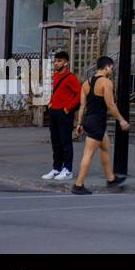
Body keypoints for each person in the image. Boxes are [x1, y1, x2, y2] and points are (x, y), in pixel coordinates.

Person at [71, 57, 128, 195]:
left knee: (106, 147)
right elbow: (110, 105)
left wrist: (79, 123)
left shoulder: (86, 83)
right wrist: (121, 120)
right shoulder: (106, 83)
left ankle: (111, 179)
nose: (111, 71)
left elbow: (82, 106)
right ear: (107, 67)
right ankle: (78, 185)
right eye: (111, 68)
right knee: (88, 154)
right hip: (97, 122)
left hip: (91, 120)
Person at [43, 50, 80, 181]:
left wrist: (68, 108)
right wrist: (51, 103)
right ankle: (56, 168)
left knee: (65, 141)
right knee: (55, 142)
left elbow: (79, 94)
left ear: (66, 63)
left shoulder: (71, 78)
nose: (56, 63)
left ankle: (68, 169)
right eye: (56, 61)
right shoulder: (55, 76)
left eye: (59, 61)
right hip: (54, 112)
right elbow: (57, 92)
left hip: (64, 113)